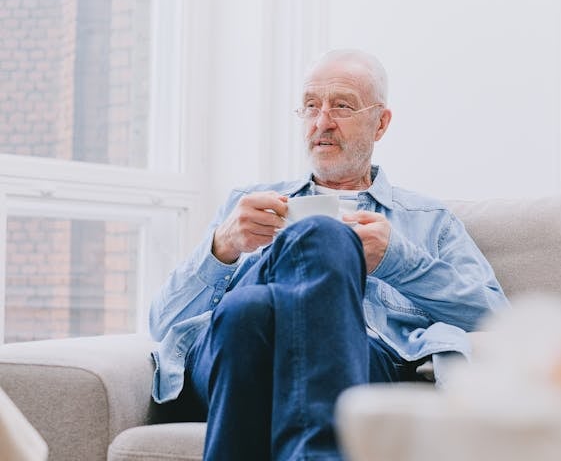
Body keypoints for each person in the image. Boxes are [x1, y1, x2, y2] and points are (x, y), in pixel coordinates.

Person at [148, 49, 508, 460]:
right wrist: (223, 247)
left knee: (248, 310)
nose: (322, 122)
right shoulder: (246, 207)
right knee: (319, 237)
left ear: (381, 123)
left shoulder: (427, 220)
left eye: (342, 105)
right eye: (310, 107)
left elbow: (497, 319)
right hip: (221, 362)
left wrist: (398, 261)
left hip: (362, 359)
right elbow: (161, 323)